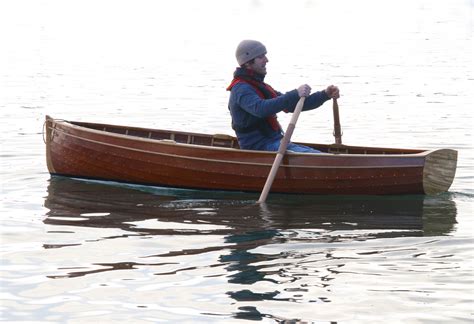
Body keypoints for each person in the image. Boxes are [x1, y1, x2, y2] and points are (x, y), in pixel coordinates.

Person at [227, 40, 340, 153]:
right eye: (261, 57)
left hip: (276, 142)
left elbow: (291, 105)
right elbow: (260, 109)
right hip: (258, 148)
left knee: (320, 155)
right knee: (319, 158)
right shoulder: (241, 89)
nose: (266, 60)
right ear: (247, 63)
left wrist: (324, 95)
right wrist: (295, 93)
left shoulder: (260, 86)